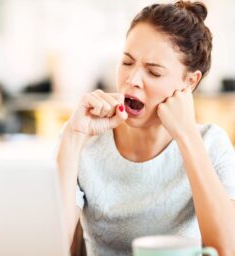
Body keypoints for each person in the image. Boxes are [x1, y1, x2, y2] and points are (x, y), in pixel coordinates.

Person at [57, 1, 235, 256]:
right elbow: (52, 247)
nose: (132, 80)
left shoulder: (211, 144)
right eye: (127, 63)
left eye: (154, 72)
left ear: (189, 82)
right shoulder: (84, 141)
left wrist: (186, 136)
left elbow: (227, 249)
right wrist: (72, 138)